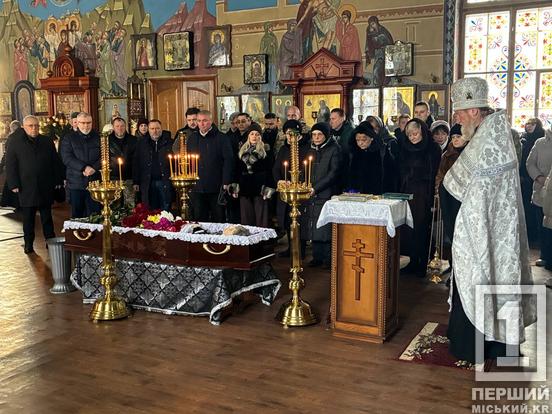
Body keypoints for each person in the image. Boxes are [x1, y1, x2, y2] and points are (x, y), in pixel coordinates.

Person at [443, 77, 535, 365]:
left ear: (474, 111)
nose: (457, 119)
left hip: (482, 229)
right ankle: (495, 344)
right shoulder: (490, 134)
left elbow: (465, 188)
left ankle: (475, 345)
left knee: (484, 277)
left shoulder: (490, 139)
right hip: (488, 227)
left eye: (459, 113)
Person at [6, 115, 64, 253]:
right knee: (28, 218)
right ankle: (28, 244)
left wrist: (58, 180)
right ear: (24, 127)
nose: (34, 128)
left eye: (36, 126)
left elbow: (55, 162)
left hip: (45, 185)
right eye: (31, 126)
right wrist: (13, 184)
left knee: (47, 217)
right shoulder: (15, 142)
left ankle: (50, 242)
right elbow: (11, 164)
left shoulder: (46, 141)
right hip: (26, 186)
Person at [399, 118, 441, 275]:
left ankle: (422, 262)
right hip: (407, 192)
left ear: (422, 132)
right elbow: (400, 170)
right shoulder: (404, 147)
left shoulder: (432, 148)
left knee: (421, 227)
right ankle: (410, 261)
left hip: (424, 193)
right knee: (407, 228)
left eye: (415, 134)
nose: (412, 138)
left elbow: (434, 172)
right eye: (409, 135)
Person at [303, 122, 341, 268]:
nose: (316, 137)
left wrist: (316, 188)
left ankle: (328, 259)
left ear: (326, 136)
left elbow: (333, 173)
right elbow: (305, 169)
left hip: (326, 192)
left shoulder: (334, 149)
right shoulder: (310, 150)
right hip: (312, 192)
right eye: (314, 135)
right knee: (314, 224)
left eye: (319, 134)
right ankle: (317, 257)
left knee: (325, 226)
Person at [186, 110, 234, 222]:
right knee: (199, 217)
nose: (201, 124)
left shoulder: (222, 138)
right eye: (199, 121)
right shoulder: (192, 138)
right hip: (197, 185)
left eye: (204, 121)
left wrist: (226, 181)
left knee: (218, 217)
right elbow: (188, 160)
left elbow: (228, 160)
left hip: (216, 185)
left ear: (211, 121)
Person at [273, 119, 311, 257]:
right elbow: (276, 168)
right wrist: (280, 180)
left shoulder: (306, 148)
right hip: (286, 189)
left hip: (299, 190)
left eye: (292, 134)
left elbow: (307, 169)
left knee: (299, 220)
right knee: (287, 219)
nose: (289, 137)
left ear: (298, 134)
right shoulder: (284, 149)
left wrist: (298, 182)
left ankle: (300, 249)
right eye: (287, 134)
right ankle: (291, 247)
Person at [434, 124, 466, 265]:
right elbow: (440, 175)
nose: (455, 140)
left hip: (464, 200)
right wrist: (438, 190)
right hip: (448, 198)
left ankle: (461, 268)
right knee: (451, 232)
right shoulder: (446, 155)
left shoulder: (471, 154)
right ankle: (453, 265)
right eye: (453, 137)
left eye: (459, 136)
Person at [59, 112, 101, 218]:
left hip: (95, 182)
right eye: (83, 123)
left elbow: (105, 156)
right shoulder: (69, 138)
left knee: (95, 215)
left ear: (92, 123)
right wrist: (84, 167)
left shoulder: (99, 137)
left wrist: (94, 168)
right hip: (76, 183)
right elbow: (67, 158)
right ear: (77, 123)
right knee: (78, 216)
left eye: (88, 123)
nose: (86, 126)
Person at [237, 124, 274, 227]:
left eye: (257, 134)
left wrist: (268, 188)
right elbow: (237, 170)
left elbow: (270, 171)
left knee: (261, 218)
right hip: (245, 188)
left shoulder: (266, 151)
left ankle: (262, 237)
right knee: (246, 218)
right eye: (252, 134)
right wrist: (236, 185)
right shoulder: (242, 151)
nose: (254, 136)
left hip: (260, 188)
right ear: (248, 136)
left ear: (260, 137)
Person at [526, 126, 552, 268]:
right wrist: (538, 177)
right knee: (542, 225)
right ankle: (544, 254)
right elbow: (530, 163)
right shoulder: (540, 142)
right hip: (541, 189)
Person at [132, 120, 173, 211]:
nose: (155, 131)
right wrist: (136, 181)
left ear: (161, 129)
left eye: (157, 128)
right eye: (152, 128)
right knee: (150, 210)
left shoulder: (169, 143)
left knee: (166, 210)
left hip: (165, 181)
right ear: (148, 130)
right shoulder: (142, 143)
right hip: (148, 182)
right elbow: (136, 163)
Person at [348, 121, 397, 195]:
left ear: (371, 138)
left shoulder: (382, 151)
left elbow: (391, 176)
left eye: (364, 140)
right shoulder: (355, 153)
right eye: (358, 140)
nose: (360, 143)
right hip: (359, 195)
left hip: (379, 195)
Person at [520, 118, 546, 247]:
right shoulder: (523, 138)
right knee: (527, 207)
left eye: (532, 124)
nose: (529, 126)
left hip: (541, 179)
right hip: (526, 178)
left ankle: (539, 238)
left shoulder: (542, 139)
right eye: (527, 124)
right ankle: (530, 235)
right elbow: (524, 160)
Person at [109, 117, 137, 208]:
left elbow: (136, 160)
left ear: (125, 127)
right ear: (113, 127)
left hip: (129, 177)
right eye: (117, 126)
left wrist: (136, 180)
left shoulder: (133, 140)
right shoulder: (107, 140)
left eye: (122, 126)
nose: (120, 128)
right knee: (114, 205)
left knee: (130, 205)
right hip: (113, 178)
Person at [364, 16, 393, 86]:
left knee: (385, 70)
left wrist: (378, 38)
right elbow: (368, 43)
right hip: (378, 54)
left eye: (373, 24)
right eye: (370, 25)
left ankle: (383, 85)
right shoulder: (370, 32)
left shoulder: (383, 30)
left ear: (377, 23)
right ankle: (377, 86)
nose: (372, 26)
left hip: (386, 53)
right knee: (376, 70)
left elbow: (389, 41)